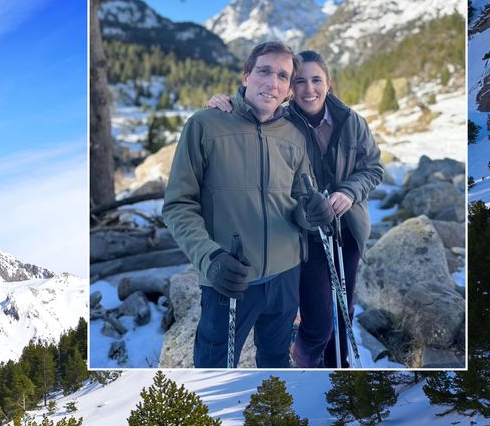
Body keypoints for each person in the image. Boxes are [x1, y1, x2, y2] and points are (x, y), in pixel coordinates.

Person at [207, 50, 384, 367]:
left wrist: (349, 192)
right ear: (290, 88)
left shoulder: (351, 122)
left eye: (317, 80)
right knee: (318, 321)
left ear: (328, 83)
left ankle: (338, 367)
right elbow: (250, 114)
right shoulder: (281, 120)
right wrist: (226, 102)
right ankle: (306, 364)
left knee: (344, 307)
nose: (309, 89)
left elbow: (373, 168)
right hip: (304, 234)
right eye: (300, 81)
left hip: (346, 230)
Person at [163, 41, 332, 369]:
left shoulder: (294, 136)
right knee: (213, 368)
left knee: (276, 362)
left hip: (286, 276)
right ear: (246, 77)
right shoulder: (205, 125)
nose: (273, 82)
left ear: (288, 90)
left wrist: (313, 213)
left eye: (282, 76)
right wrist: (209, 257)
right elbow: (178, 204)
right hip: (230, 276)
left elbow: (301, 202)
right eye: (264, 71)